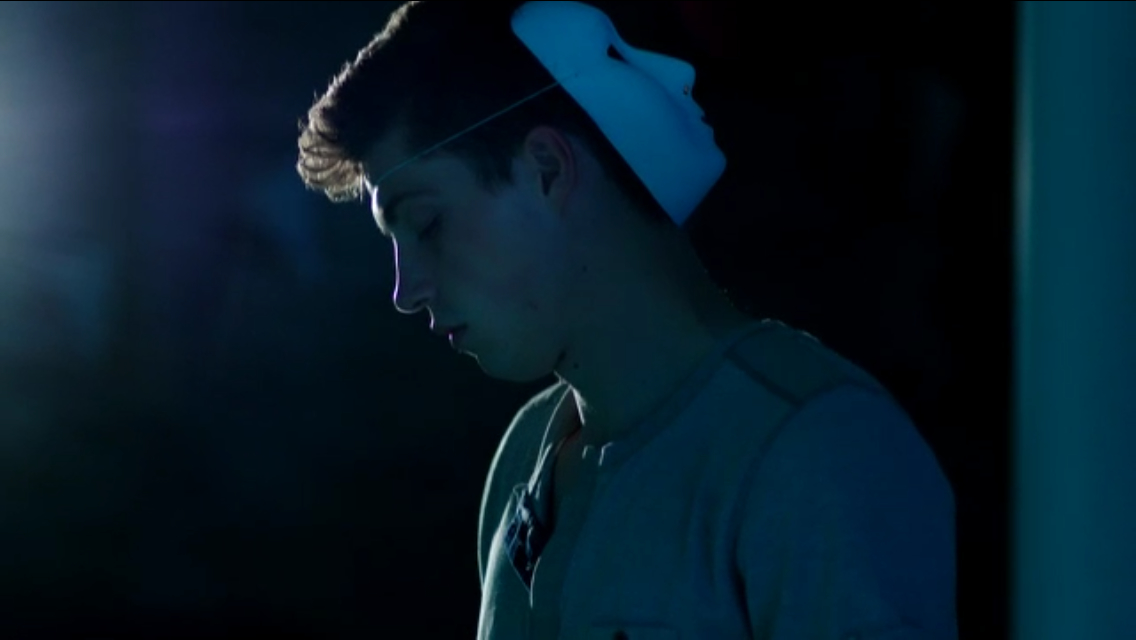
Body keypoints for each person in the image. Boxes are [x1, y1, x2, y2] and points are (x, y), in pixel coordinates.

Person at [295, 2, 958, 638]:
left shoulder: (816, 450)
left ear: (546, 169)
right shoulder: (525, 456)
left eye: (426, 223)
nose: (406, 290)